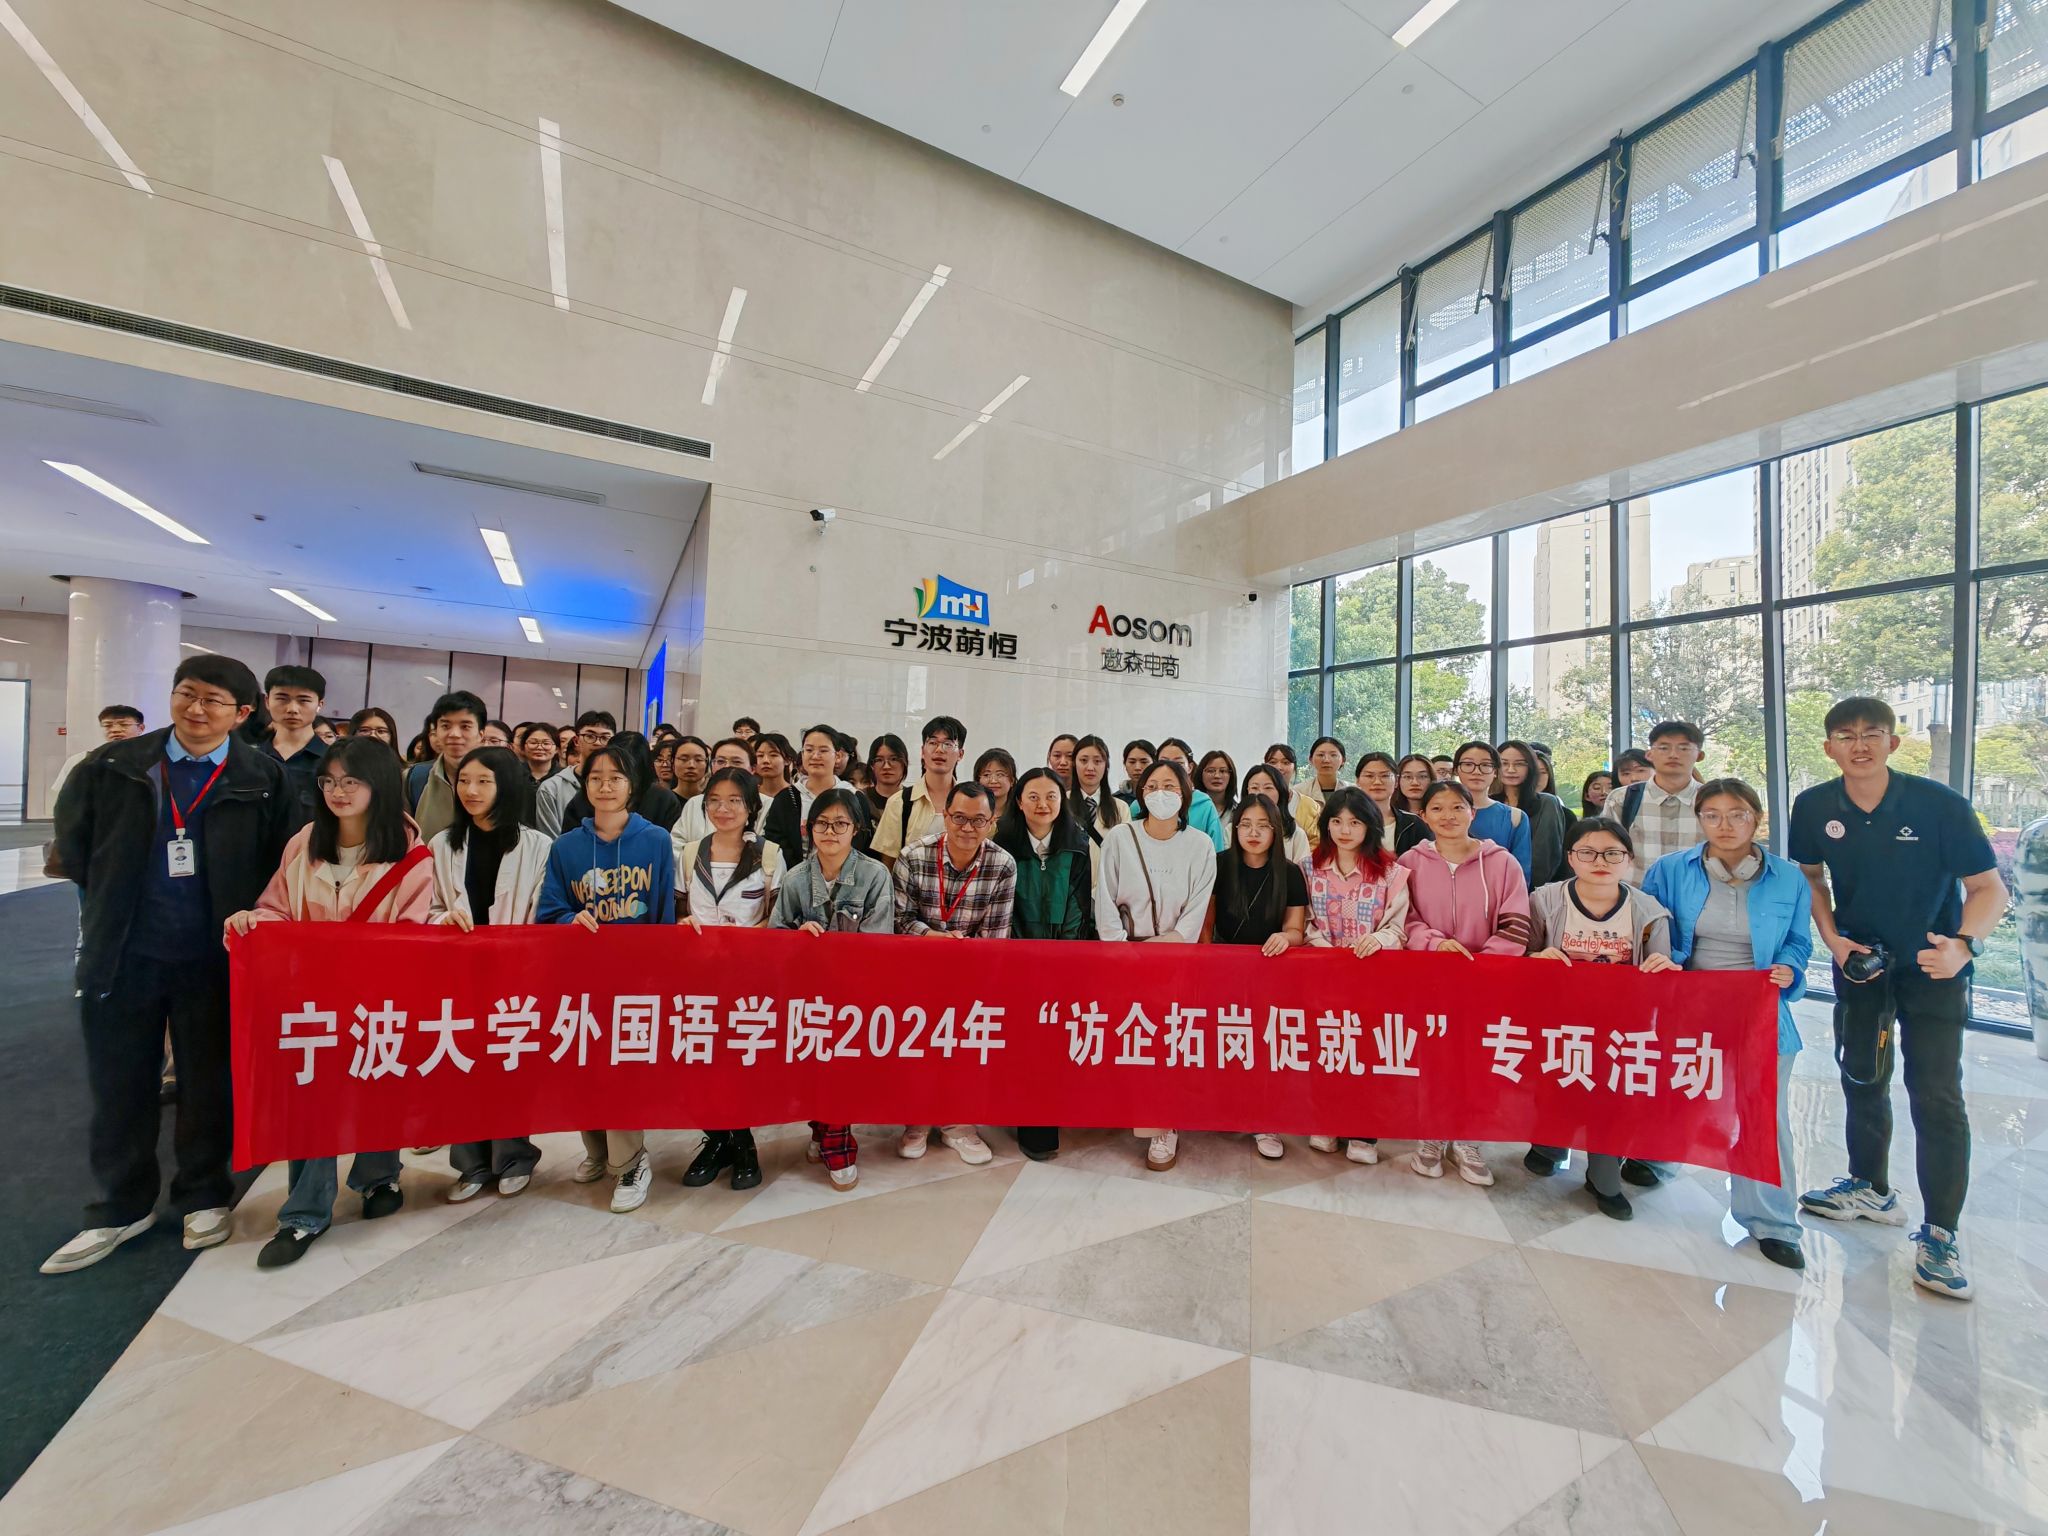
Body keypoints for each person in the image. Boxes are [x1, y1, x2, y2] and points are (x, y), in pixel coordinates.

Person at [42, 658, 293, 1275]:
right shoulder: (113, 765)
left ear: (242, 713)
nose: (196, 709)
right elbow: (75, 847)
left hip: (215, 955)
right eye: (187, 694)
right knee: (120, 1082)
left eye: (214, 700)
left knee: (209, 1083)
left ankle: (203, 1195)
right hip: (125, 951)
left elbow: (280, 862)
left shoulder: (262, 776)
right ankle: (119, 1205)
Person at [1791, 697, 2006, 1300]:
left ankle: (1940, 1233)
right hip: (1861, 964)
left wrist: (1965, 946)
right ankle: (1871, 1187)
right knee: (1862, 1076)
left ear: (1893, 742)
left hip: (1934, 965)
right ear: (1829, 747)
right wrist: (1833, 940)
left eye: (1872, 734)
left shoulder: (1938, 804)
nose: (1859, 745)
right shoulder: (1814, 805)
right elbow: (1809, 877)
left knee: (1936, 1094)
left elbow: (1988, 888)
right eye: (1845, 735)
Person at [223, 737, 434, 1266]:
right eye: (329, 782)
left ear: (378, 785)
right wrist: (255, 921)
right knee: (312, 1100)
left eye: (351, 781)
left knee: (377, 1086)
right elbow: (276, 907)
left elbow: (411, 933)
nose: (338, 792)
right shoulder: (304, 843)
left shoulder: (411, 854)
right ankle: (303, 1214)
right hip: (311, 1000)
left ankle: (379, 1176)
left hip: (377, 1001)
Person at [1641, 778, 1811, 1270]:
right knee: (1677, 1090)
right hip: (1691, 1003)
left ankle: (1772, 1222)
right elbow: (1651, 927)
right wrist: (1665, 960)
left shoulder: (1788, 878)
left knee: (1763, 1115)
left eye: (1737, 814)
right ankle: (1657, 1159)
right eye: (1712, 815)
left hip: (1759, 1009)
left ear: (1756, 818)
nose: (1725, 825)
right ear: (1699, 820)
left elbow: (1799, 940)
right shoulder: (1671, 870)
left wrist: (1790, 967)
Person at [539, 743, 675, 1214]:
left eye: (615, 777)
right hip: (581, 977)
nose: (605, 786)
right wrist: (568, 919)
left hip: (634, 979)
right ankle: (597, 1150)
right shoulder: (566, 846)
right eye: (595, 777)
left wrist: (659, 975)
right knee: (584, 1065)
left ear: (632, 785)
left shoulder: (656, 840)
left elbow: (662, 911)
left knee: (622, 1072)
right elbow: (549, 909)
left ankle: (632, 1162)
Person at [1524, 818, 1677, 1219]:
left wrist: (1664, 970)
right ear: (1570, 857)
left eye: (1612, 853)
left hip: (1621, 1027)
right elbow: (1522, 954)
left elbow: (1664, 978)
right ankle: (1549, 1145)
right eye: (1587, 852)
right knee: (1556, 1084)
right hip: (1560, 1020)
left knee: (1612, 1099)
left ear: (1629, 859)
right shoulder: (1545, 900)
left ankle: (1603, 1175)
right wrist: (1536, 957)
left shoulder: (1649, 912)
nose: (1600, 862)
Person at [427, 745, 552, 1203]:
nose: (471, 790)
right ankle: (471, 1163)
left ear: (507, 786)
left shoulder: (537, 846)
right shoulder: (441, 845)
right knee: (459, 1063)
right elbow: (429, 906)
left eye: (483, 781)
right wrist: (444, 920)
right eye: (464, 781)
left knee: (507, 1064)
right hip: (457, 972)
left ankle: (514, 1156)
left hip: (513, 974)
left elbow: (542, 911)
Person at [1396, 781, 1532, 1187]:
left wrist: (1484, 966)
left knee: (1477, 1060)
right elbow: (1404, 918)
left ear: (1473, 812)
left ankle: (1469, 1138)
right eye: (1437, 808)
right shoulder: (1409, 861)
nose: (1448, 816)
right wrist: (1435, 945)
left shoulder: (1503, 862)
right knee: (1433, 1058)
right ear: (1423, 816)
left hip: (1486, 982)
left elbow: (1516, 920)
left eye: (1458, 807)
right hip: (1430, 978)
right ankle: (1432, 1134)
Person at [1095, 758, 1216, 1172]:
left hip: (1176, 957)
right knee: (1133, 1036)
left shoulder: (1200, 844)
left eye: (1171, 786)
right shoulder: (1120, 836)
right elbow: (1105, 896)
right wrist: (1119, 949)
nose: (1161, 793)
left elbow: (1197, 907)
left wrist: (1170, 945)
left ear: (1185, 795)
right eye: (1152, 786)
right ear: (1140, 793)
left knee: (1168, 1041)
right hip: (1126, 956)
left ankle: (1164, 1125)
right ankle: (1127, 1112)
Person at [771, 788, 891, 1190]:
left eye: (841, 824)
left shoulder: (875, 875)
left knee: (843, 1070)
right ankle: (821, 1128)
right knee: (812, 1066)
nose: (830, 831)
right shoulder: (794, 878)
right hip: (806, 995)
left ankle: (838, 1141)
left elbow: (878, 942)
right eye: (822, 823)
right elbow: (774, 937)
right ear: (809, 828)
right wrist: (797, 939)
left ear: (856, 829)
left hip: (854, 993)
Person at [893, 783, 1014, 1165]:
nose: (967, 828)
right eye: (959, 818)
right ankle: (917, 1121)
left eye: (978, 820)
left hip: (972, 972)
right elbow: (899, 920)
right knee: (919, 1046)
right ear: (945, 816)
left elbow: (996, 935)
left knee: (965, 1046)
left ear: (992, 823)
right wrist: (935, 940)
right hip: (917, 970)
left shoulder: (1002, 865)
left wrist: (962, 956)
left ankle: (959, 1124)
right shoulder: (913, 857)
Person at [679, 766, 785, 1192]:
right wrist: (683, 925)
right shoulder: (690, 853)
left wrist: (746, 941)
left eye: (734, 801)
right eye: (714, 801)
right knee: (701, 1061)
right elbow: (676, 911)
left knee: (739, 1062)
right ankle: (718, 1139)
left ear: (750, 807)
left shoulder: (770, 855)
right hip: (698, 978)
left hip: (748, 980)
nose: (723, 809)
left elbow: (777, 919)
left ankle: (743, 1144)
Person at [1299, 787, 1410, 1164]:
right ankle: (1326, 1120)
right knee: (1327, 1047)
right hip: (1324, 978)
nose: (1344, 830)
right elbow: (1305, 921)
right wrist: (1325, 950)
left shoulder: (1392, 873)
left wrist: (1378, 939)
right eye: (1336, 821)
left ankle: (1364, 1130)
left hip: (1373, 979)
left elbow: (1398, 927)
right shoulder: (1307, 867)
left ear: (1370, 826)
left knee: (1367, 1052)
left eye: (1355, 822)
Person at [995, 768, 1094, 1161]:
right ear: (1018, 802)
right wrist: (1018, 956)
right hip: (1014, 960)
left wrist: (1061, 959)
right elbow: (1001, 907)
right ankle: (1024, 1117)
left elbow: (1079, 908)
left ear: (1062, 801)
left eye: (1051, 796)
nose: (1042, 804)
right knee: (1021, 1042)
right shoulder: (1002, 845)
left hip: (1061, 963)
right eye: (1033, 796)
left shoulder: (1077, 846)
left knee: (1051, 1041)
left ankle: (1048, 1117)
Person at [1207, 790, 1308, 1162]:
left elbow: (1296, 929)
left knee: (1265, 1048)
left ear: (1275, 831)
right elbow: (1206, 927)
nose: (1253, 833)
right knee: (1226, 1041)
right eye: (1245, 825)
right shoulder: (1219, 864)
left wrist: (1286, 937)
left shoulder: (1290, 872)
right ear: (1234, 830)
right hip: (1224, 971)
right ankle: (1224, 1108)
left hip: (1271, 972)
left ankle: (1266, 1120)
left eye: (1262, 826)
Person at [1603, 721, 1707, 876]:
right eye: (1664, 748)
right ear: (1649, 754)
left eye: (1684, 748)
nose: (1673, 755)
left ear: (1699, 755)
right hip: (1636, 889)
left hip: (1696, 890)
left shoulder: (1712, 800)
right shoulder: (1621, 799)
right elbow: (1605, 851)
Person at [765, 723, 869, 866]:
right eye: (809, 750)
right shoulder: (787, 797)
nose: (815, 756)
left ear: (837, 756)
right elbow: (775, 842)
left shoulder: (854, 797)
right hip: (794, 875)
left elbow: (862, 842)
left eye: (823, 750)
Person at [867, 715, 963, 867]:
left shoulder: (969, 804)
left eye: (948, 744)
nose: (939, 750)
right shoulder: (899, 802)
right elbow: (888, 864)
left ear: (960, 754)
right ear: (923, 751)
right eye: (932, 743)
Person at [404, 691, 488, 843]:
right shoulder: (414, 778)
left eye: (465, 726)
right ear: (436, 731)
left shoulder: (501, 779)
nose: (454, 734)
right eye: (446, 726)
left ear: (481, 735)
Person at [1450, 741, 1532, 883]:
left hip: (1498, 892)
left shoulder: (1515, 817)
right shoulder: (1437, 814)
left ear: (1495, 772)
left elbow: (1521, 873)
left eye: (1486, 765)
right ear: (1456, 770)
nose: (1477, 771)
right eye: (1468, 764)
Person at [259, 664, 328, 830]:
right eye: (282, 698)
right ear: (267, 701)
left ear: (319, 704)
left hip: (309, 845)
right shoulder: (249, 758)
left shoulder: (332, 761)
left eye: (304, 700)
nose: (292, 709)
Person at [1498, 739, 1568, 884]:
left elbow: (1544, 856)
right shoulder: (1488, 803)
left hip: (1531, 886)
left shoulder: (1547, 803)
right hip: (1489, 885)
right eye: (1504, 763)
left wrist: (1520, 887)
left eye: (1519, 764)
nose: (1511, 769)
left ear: (1531, 767)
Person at [536, 710, 615, 836]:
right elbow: (549, 839)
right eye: (590, 736)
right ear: (577, 740)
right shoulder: (551, 788)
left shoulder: (621, 785)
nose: (597, 742)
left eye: (605, 738)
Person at [50, 703, 147, 803]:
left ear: (141, 728)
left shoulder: (151, 760)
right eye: (108, 725)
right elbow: (64, 799)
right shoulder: (81, 760)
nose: (115, 730)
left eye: (124, 724)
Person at [671, 736, 752, 846]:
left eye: (736, 762)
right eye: (720, 761)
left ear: (753, 768)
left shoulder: (765, 803)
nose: (727, 767)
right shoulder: (695, 803)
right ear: (712, 765)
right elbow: (676, 844)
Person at [1155, 739, 1226, 851]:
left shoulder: (1204, 805)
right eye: (1163, 762)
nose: (1169, 769)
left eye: (1179, 763)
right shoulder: (1142, 803)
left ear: (1190, 767)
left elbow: (1217, 851)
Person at [1354, 751, 1428, 856]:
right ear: (1357, 781)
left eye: (1385, 776)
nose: (1377, 782)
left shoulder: (1413, 824)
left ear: (1397, 781)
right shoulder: (1344, 821)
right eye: (1369, 776)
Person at [1068, 734, 1127, 850]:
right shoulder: (1061, 803)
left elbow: (1125, 850)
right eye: (1083, 760)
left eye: (1097, 761)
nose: (1090, 767)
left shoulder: (1121, 808)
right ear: (1074, 763)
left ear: (1106, 765)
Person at [863, 733, 909, 822]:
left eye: (894, 759)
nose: (886, 766)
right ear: (872, 765)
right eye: (879, 760)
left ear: (904, 763)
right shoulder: (860, 799)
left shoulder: (913, 799)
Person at [752, 732, 794, 818]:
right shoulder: (749, 795)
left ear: (787, 760)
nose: (765, 760)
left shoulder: (796, 796)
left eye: (773, 755)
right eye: (760, 755)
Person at [1299, 735, 1346, 808]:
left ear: (1343, 760)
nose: (1326, 760)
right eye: (1320, 755)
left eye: (1333, 755)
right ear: (1310, 759)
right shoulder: (1299, 792)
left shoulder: (1353, 791)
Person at [974, 747, 1018, 823]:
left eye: (1000, 774)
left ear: (1012, 781)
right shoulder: (969, 811)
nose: (993, 781)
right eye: (986, 775)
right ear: (978, 780)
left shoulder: (1022, 812)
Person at [1197, 749, 1237, 822]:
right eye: (1211, 771)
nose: (1217, 776)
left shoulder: (1238, 812)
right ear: (1200, 774)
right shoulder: (1190, 808)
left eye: (1222, 771)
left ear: (1231, 776)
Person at [1393, 754, 1435, 818]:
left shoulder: (1440, 813)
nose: (1415, 783)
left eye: (1422, 776)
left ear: (1432, 779)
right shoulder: (1390, 813)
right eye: (1408, 777)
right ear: (1397, 780)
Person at [1119, 739, 1156, 803]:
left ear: (1154, 764)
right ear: (1124, 764)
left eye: (1144, 762)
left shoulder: (1162, 798)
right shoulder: (1116, 801)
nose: (1137, 768)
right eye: (1132, 762)